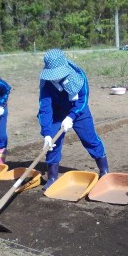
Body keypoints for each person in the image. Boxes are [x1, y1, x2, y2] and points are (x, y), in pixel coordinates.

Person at [38, 48, 109, 191]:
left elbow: (82, 100)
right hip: (57, 113)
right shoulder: (46, 83)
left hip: (79, 111)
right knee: (52, 143)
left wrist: (71, 116)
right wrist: (46, 133)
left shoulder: (78, 76)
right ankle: (52, 177)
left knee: (89, 139)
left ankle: (104, 170)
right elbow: (45, 108)